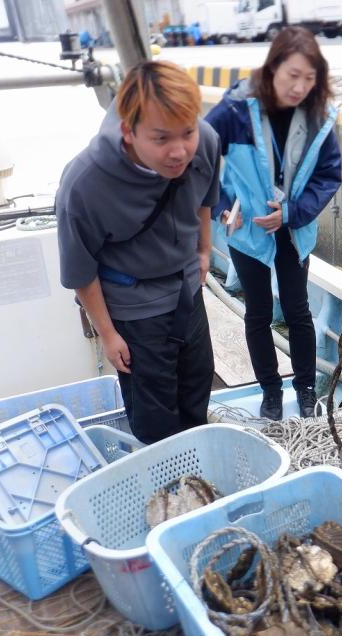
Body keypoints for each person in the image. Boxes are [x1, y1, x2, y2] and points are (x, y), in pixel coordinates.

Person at [56, 61, 220, 444]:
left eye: (187, 133)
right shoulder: (84, 183)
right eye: (161, 139)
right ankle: (164, 472)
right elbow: (81, 271)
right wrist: (108, 334)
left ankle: (197, 464)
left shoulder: (206, 140)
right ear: (128, 131)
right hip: (133, 309)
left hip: (186, 291)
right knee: (154, 416)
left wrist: (203, 250)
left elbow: (205, 197)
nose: (179, 151)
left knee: (197, 387)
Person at [205, 27, 342, 420]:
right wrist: (223, 208)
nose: (300, 87)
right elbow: (201, 158)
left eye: (310, 78)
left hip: (294, 232)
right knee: (258, 312)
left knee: (298, 311)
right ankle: (269, 391)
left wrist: (293, 213)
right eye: (292, 75)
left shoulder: (319, 117)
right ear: (272, 69)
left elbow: (329, 176)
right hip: (246, 231)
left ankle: (305, 389)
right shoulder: (235, 110)